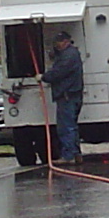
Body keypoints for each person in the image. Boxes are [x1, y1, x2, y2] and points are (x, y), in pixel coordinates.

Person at [45, 29, 84, 163]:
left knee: (66, 127)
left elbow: (58, 72)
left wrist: (44, 77)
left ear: (66, 42)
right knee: (71, 126)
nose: (57, 45)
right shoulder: (71, 54)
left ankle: (69, 156)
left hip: (67, 95)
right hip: (72, 94)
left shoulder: (68, 56)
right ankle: (76, 154)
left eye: (59, 42)